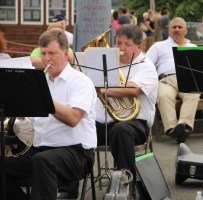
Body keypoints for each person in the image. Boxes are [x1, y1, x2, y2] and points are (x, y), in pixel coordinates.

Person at [0, 29, 97, 200]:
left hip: (76, 152)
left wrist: (44, 98)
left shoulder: (81, 81)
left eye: (52, 53)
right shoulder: (39, 81)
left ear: (66, 54)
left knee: (42, 161)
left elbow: (73, 118)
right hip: (39, 149)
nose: (46, 59)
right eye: (43, 54)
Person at [95, 24, 158, 194]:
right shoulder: (106, 63)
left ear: (140, 46)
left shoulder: (146, 66)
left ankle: (125, 185)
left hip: (135, 124)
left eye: (127, 44)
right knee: (76, 128)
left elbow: (133, 90)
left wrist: (102, 90)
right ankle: (68, 187)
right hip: (103, 123)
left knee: (120, 130)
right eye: (118, 43)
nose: (121, 49)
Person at [146, 17, 200, 144]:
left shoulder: (193, 47)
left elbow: (200, 69)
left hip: (188, 79)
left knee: (193, 94)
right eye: (174, 27)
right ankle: (172, 129)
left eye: (180, 27)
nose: (176, 29)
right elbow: (146, 65)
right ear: (169, 30)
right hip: (166, 80)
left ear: (185, 30)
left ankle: (183, 125)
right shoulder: (159, 46)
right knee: (164, 96)